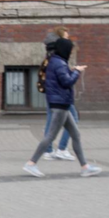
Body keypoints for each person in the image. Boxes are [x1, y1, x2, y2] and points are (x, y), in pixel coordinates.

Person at [24, 37, 102, 178]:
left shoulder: (56, 61)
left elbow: (61, 78)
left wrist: (71, 70)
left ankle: (85, 167)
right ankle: (31, 164)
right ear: (65, 50)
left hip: (62, 104)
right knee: (50, 137)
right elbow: (66, 82)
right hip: (60, 106)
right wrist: (77, 72)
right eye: (70, 50)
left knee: (76, 135)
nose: (71, 53)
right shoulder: (59, 63)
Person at [41, 27, 78, 161]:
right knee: (73, 119)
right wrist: (75, 72)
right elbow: (65, 80)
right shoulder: (58, 59)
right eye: (66, 37)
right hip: (60, 96)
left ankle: (48, 150)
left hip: (52, 94)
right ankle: (61, 149)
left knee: (51, 121)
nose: (68, 40)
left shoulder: (51, 57)